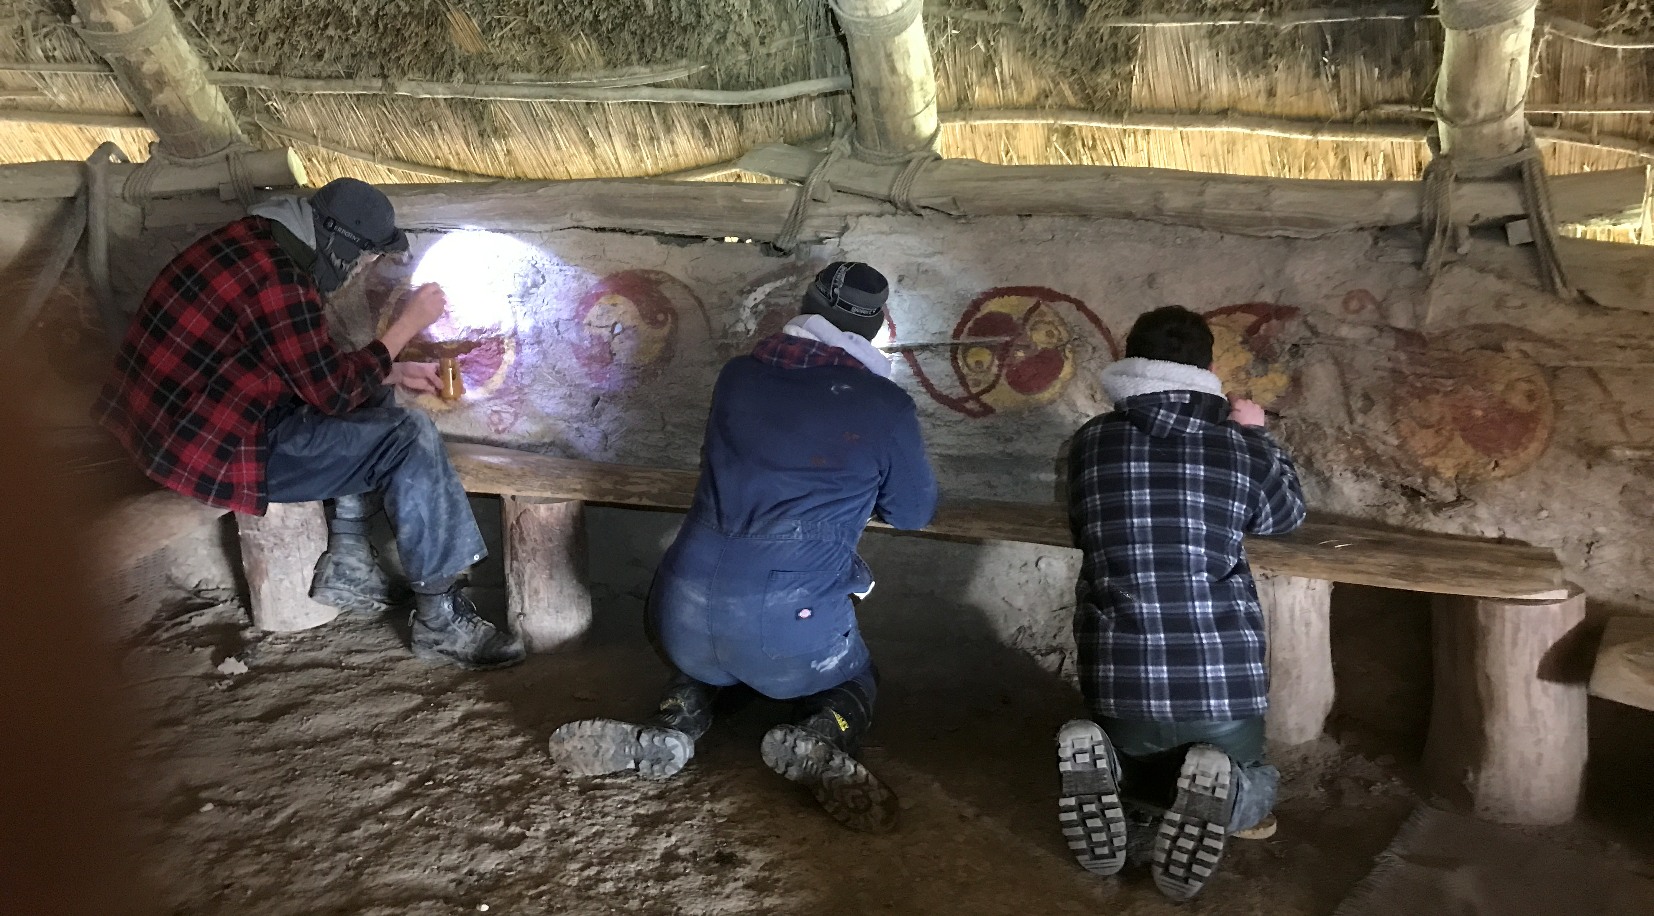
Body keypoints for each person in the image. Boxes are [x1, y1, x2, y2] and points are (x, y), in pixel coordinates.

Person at [548, 262, 937, 832]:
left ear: (803, 307)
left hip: (678, 609)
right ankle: (821, 733)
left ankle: (673, 725)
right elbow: (913, 512)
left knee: (713, 664)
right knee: (851, 677)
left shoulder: (738, 376)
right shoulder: (885, 406)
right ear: (877, 326)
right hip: (791, 625)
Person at [95, 177, 524, 670]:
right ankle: (439, 624)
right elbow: (332, 393)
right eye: (363, 260)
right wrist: (408, 325)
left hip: (181, 424)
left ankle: (351, 565)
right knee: (409, 437)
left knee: (376, 395)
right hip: (213, 448)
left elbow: (308, 367)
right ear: (341, 245)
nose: (360, 271)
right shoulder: (279, 280)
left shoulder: (250, 241)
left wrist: (392, 370)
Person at [1057, 305, 1306, 901]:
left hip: (1121, 682)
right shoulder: (1236, 446)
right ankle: (1227, 797)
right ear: (1209, 366)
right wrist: (1254, 432)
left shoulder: (1090, 442)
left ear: (1128, 356)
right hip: (1223, 687)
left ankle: (1114, 776)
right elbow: (1286, 517)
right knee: (1260, 792)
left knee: (1145, 761)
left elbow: (1080, 525)